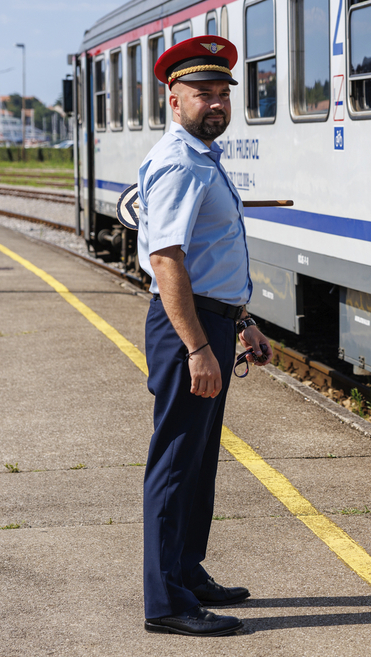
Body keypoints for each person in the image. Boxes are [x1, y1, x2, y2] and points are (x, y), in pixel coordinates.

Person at [137, 34, 274, 637]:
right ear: (174, 99)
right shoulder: (178, 163)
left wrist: (240, 322)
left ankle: (187, 571)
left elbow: (209, 255)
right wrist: (197, 347)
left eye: (222, 93)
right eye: (202, 94)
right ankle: (166, 602)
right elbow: (167, 260)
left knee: (199, 460)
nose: (216, 103)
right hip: (185, 330)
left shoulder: (201, 157)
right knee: (174, 461)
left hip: (213, 321)